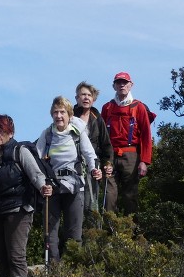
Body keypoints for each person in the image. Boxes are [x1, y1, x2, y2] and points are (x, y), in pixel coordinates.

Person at [0, 114, 52, 277]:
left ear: (10, 132)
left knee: (16, 255)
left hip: (19, 209)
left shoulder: (21, 151)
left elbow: (35, 175)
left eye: (0, 131)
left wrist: (43, 187)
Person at [33, 96, 102, 265]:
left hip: (75, 186)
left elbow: (89, 154)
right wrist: (42, 184)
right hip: (53, 187)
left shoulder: (77, 134)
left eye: (62, 112)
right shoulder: (47, 135)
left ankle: (73, 272)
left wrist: (94, 169)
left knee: (74, 232)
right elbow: (37, 160)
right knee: (51, 233)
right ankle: (54, 271)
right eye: (55, 112)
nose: (58, 116)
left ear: (69, 114)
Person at [100, 71, 154, 215]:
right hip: (110, 155)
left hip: (130, 155)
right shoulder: (107, 108)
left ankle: (132, 234)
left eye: (125, 82)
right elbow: (101, 135)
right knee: (109, 196)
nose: (121, 85)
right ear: (114, 86)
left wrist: (144, 161)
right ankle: (111, 232)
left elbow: (146, 136)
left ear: (131, 85)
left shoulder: (139, 107)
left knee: (130, 197)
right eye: (118, 82)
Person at [73, 81, 114, 214]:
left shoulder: (97, 119)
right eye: (83, 95)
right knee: (75, 205)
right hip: (73, 165)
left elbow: (106, 145)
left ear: (93, 99)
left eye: (89, 95)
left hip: (93, 167)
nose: (86, 98)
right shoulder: (69, 117)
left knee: (91, 205)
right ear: (77, 98)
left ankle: (92, 233)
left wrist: (108, 164)